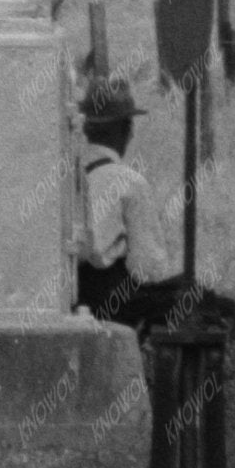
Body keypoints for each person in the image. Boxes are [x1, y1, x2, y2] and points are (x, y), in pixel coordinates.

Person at [71, 78, 168, 330]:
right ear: (127, 129)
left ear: (87, 129)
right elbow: (149, 269)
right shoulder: (130, 183)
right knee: (211, 304)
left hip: (72, 297)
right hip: (114, 301)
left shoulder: (66, 177)